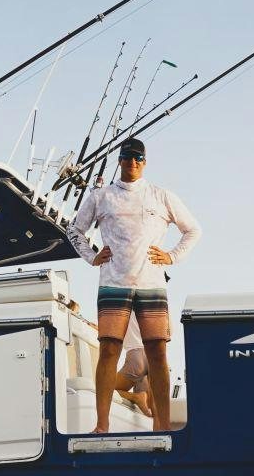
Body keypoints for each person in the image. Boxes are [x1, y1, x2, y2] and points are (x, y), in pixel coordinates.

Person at [66, 136, 201, 432]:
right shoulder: (102, 196)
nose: (132, 163)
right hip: (113, 283)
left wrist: (172, 256)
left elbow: (193, 230)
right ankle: (101, 425)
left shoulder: (160, 195)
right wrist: (91, 256)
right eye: (127, 157)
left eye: (138, 158)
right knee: (109, 350)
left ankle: (162, 425)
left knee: (157, 354)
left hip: (151, 284)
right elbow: (74, 230)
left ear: (145, 162)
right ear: (119, 160)